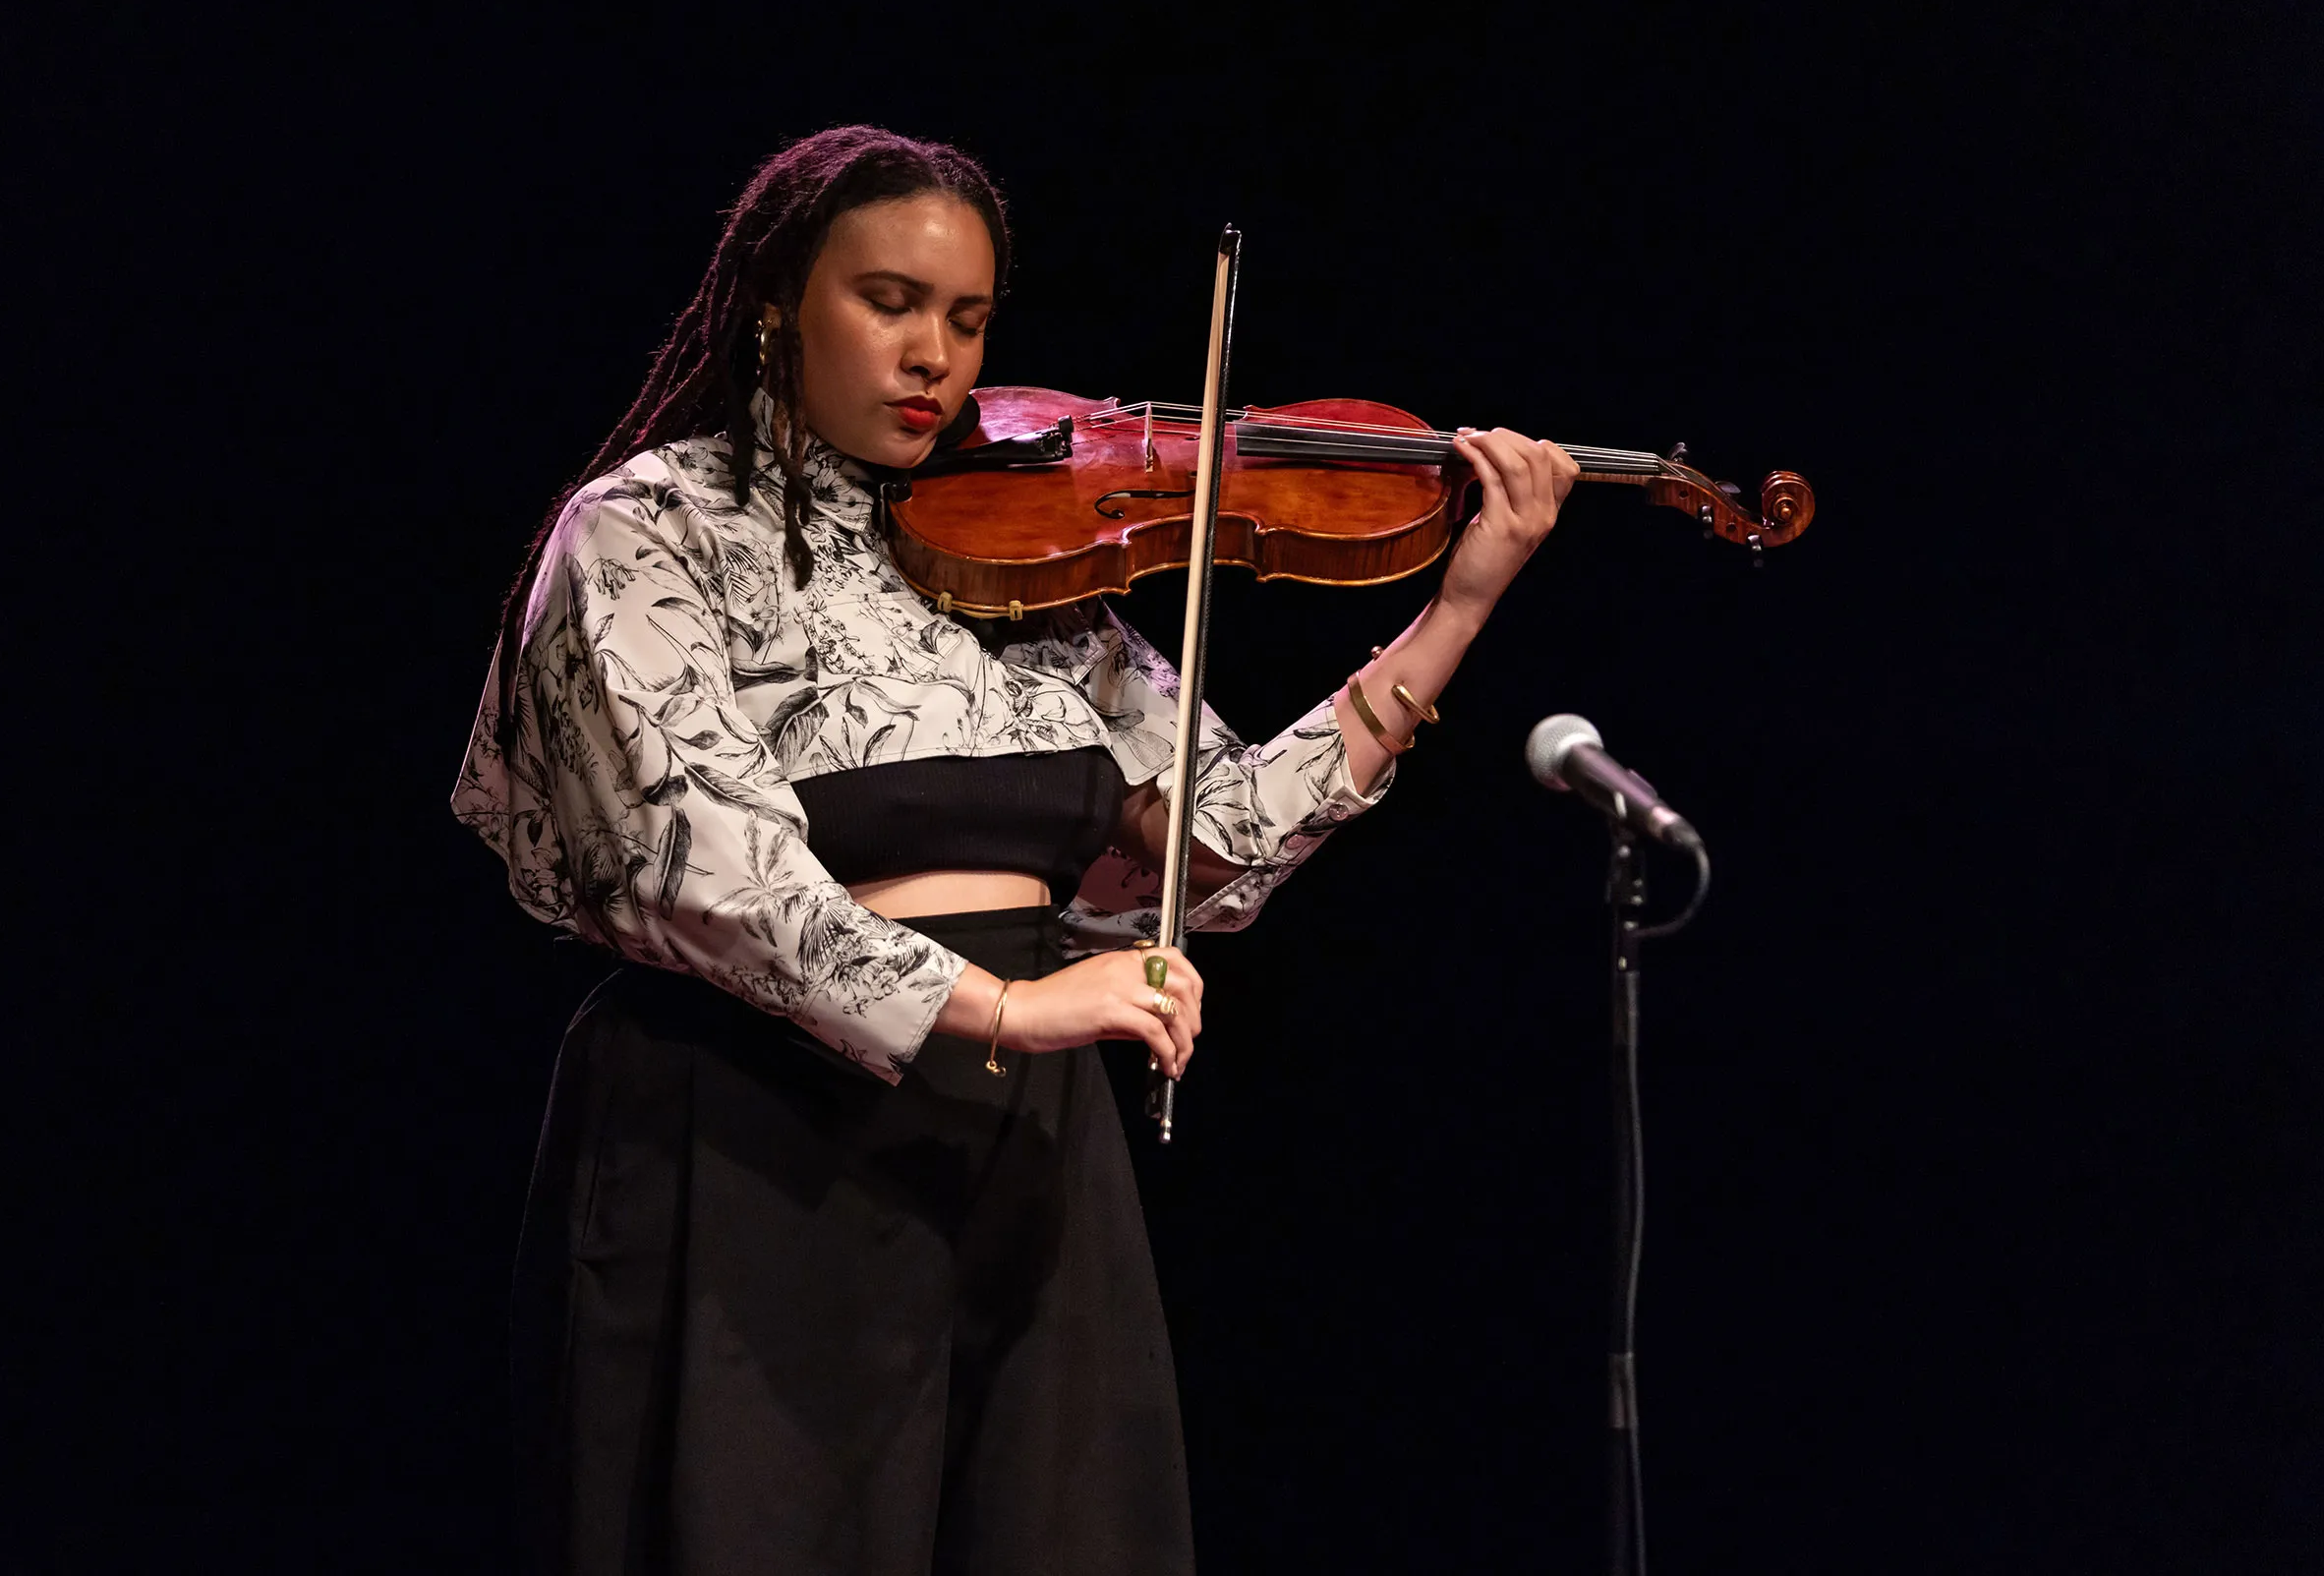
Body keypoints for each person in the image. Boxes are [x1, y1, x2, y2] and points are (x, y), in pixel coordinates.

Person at [451, 125, 1578, 1575]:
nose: (935, 355)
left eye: (968, 320)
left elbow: (1214, 844)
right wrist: (1008, 1007)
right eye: (891, 302)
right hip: (754, 1133)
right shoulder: (651, 529)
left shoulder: (1014, 554)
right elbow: (692, 855)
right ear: (779, 302)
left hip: (1016, 1142)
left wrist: (1461, 604)